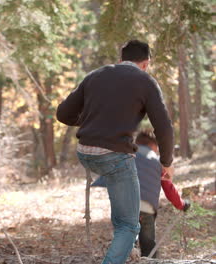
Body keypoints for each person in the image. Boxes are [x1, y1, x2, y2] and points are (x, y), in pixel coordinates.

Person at [56, 40, 174, 264]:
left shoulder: (95, 75)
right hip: (114, 156)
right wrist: (166, 162)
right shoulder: (145, 81)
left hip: (86, 153)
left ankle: (124, 251)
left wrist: (88, 122)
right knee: (130, 226)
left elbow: (62, 114)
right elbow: (164, 127)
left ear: (121, 59)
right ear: (146, 63)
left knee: (123, 215)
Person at [92, 130, 191, 258]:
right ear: (154, 145)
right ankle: (148, 259)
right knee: (148, 244)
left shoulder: (126, 154)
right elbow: (169, 188)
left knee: (125, 238)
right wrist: (182, 205)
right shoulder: (156, 161)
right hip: (146, 208)